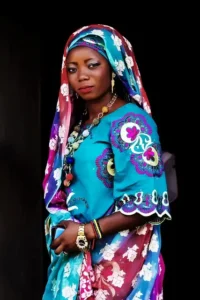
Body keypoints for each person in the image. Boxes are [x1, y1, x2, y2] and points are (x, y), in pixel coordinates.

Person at [42, 24, 171, 300]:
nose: (82, 76)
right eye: (73, 69)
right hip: (78, 260)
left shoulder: (131, 122)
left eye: (92, 65)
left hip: (119, 265)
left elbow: (147, 202)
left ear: (113, 67)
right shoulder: (79, 126)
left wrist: (85, 233)